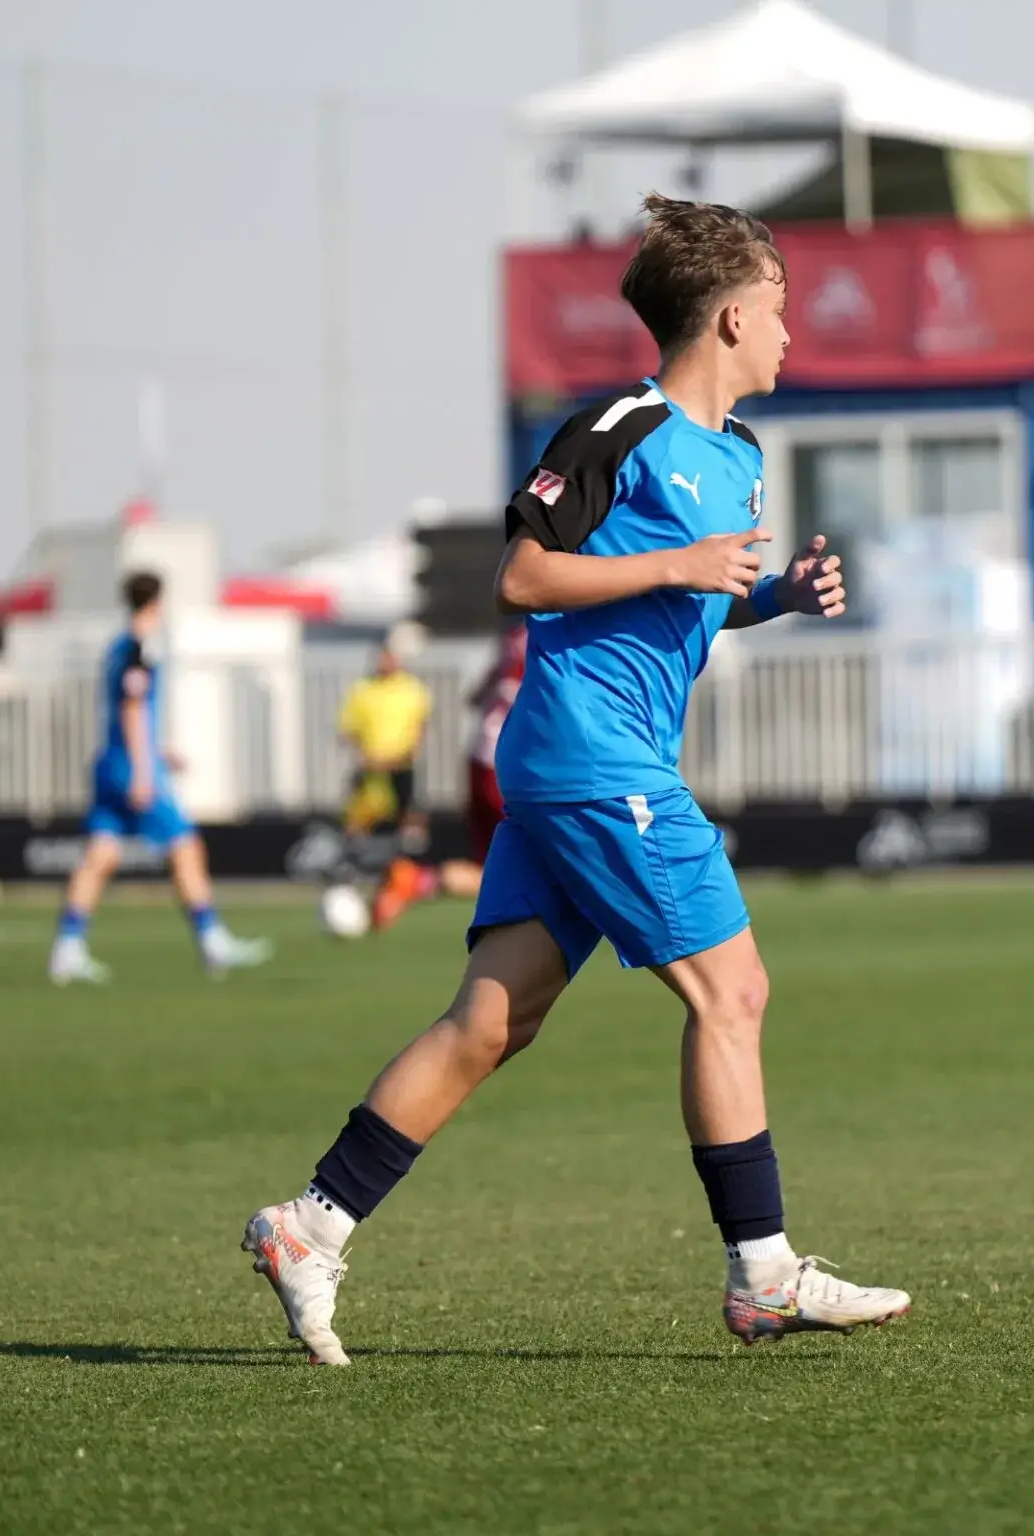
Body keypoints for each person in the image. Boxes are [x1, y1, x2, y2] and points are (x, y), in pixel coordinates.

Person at [243, 193, 910, 1366]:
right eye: (781, 311)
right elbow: (523, 577)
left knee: (493, 1019)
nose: (794, 335)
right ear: (732, 319)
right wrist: (685, 561)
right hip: (594, 760)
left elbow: (682, 599)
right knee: (732, 993)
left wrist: (768, 598)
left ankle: (312, 1224)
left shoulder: (740, 459)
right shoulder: (619, 425)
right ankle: (762, 1275)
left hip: (589, 763)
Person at [48, 571, 273, 984]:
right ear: (157, 603)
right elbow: (133, 708)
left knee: (100, 857)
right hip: (131, 767)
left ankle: (67, 947)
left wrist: (156, 750)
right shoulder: (139, 648)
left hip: (110, 761)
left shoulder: (117, 647)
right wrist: (143, 769)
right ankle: (212, 940)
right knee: (186, 848)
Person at [371, 620, 527, 928]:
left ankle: (416, 880)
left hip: (481, 757)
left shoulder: (515, 633)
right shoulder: (553, 632)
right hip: (511, 764)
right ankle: (416, 881)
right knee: (538, 869)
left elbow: (478, 696)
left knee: (494, 870)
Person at [337, 632, 432, 844]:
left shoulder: (413, 688)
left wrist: (407, 753)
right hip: (371, 766)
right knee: (360, 814)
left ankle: (407, 863)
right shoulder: (362, 689)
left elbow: (421, 724)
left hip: (401, 765)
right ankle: (355, 857)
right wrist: (366, 756)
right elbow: (349, 727)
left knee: (407, 813)